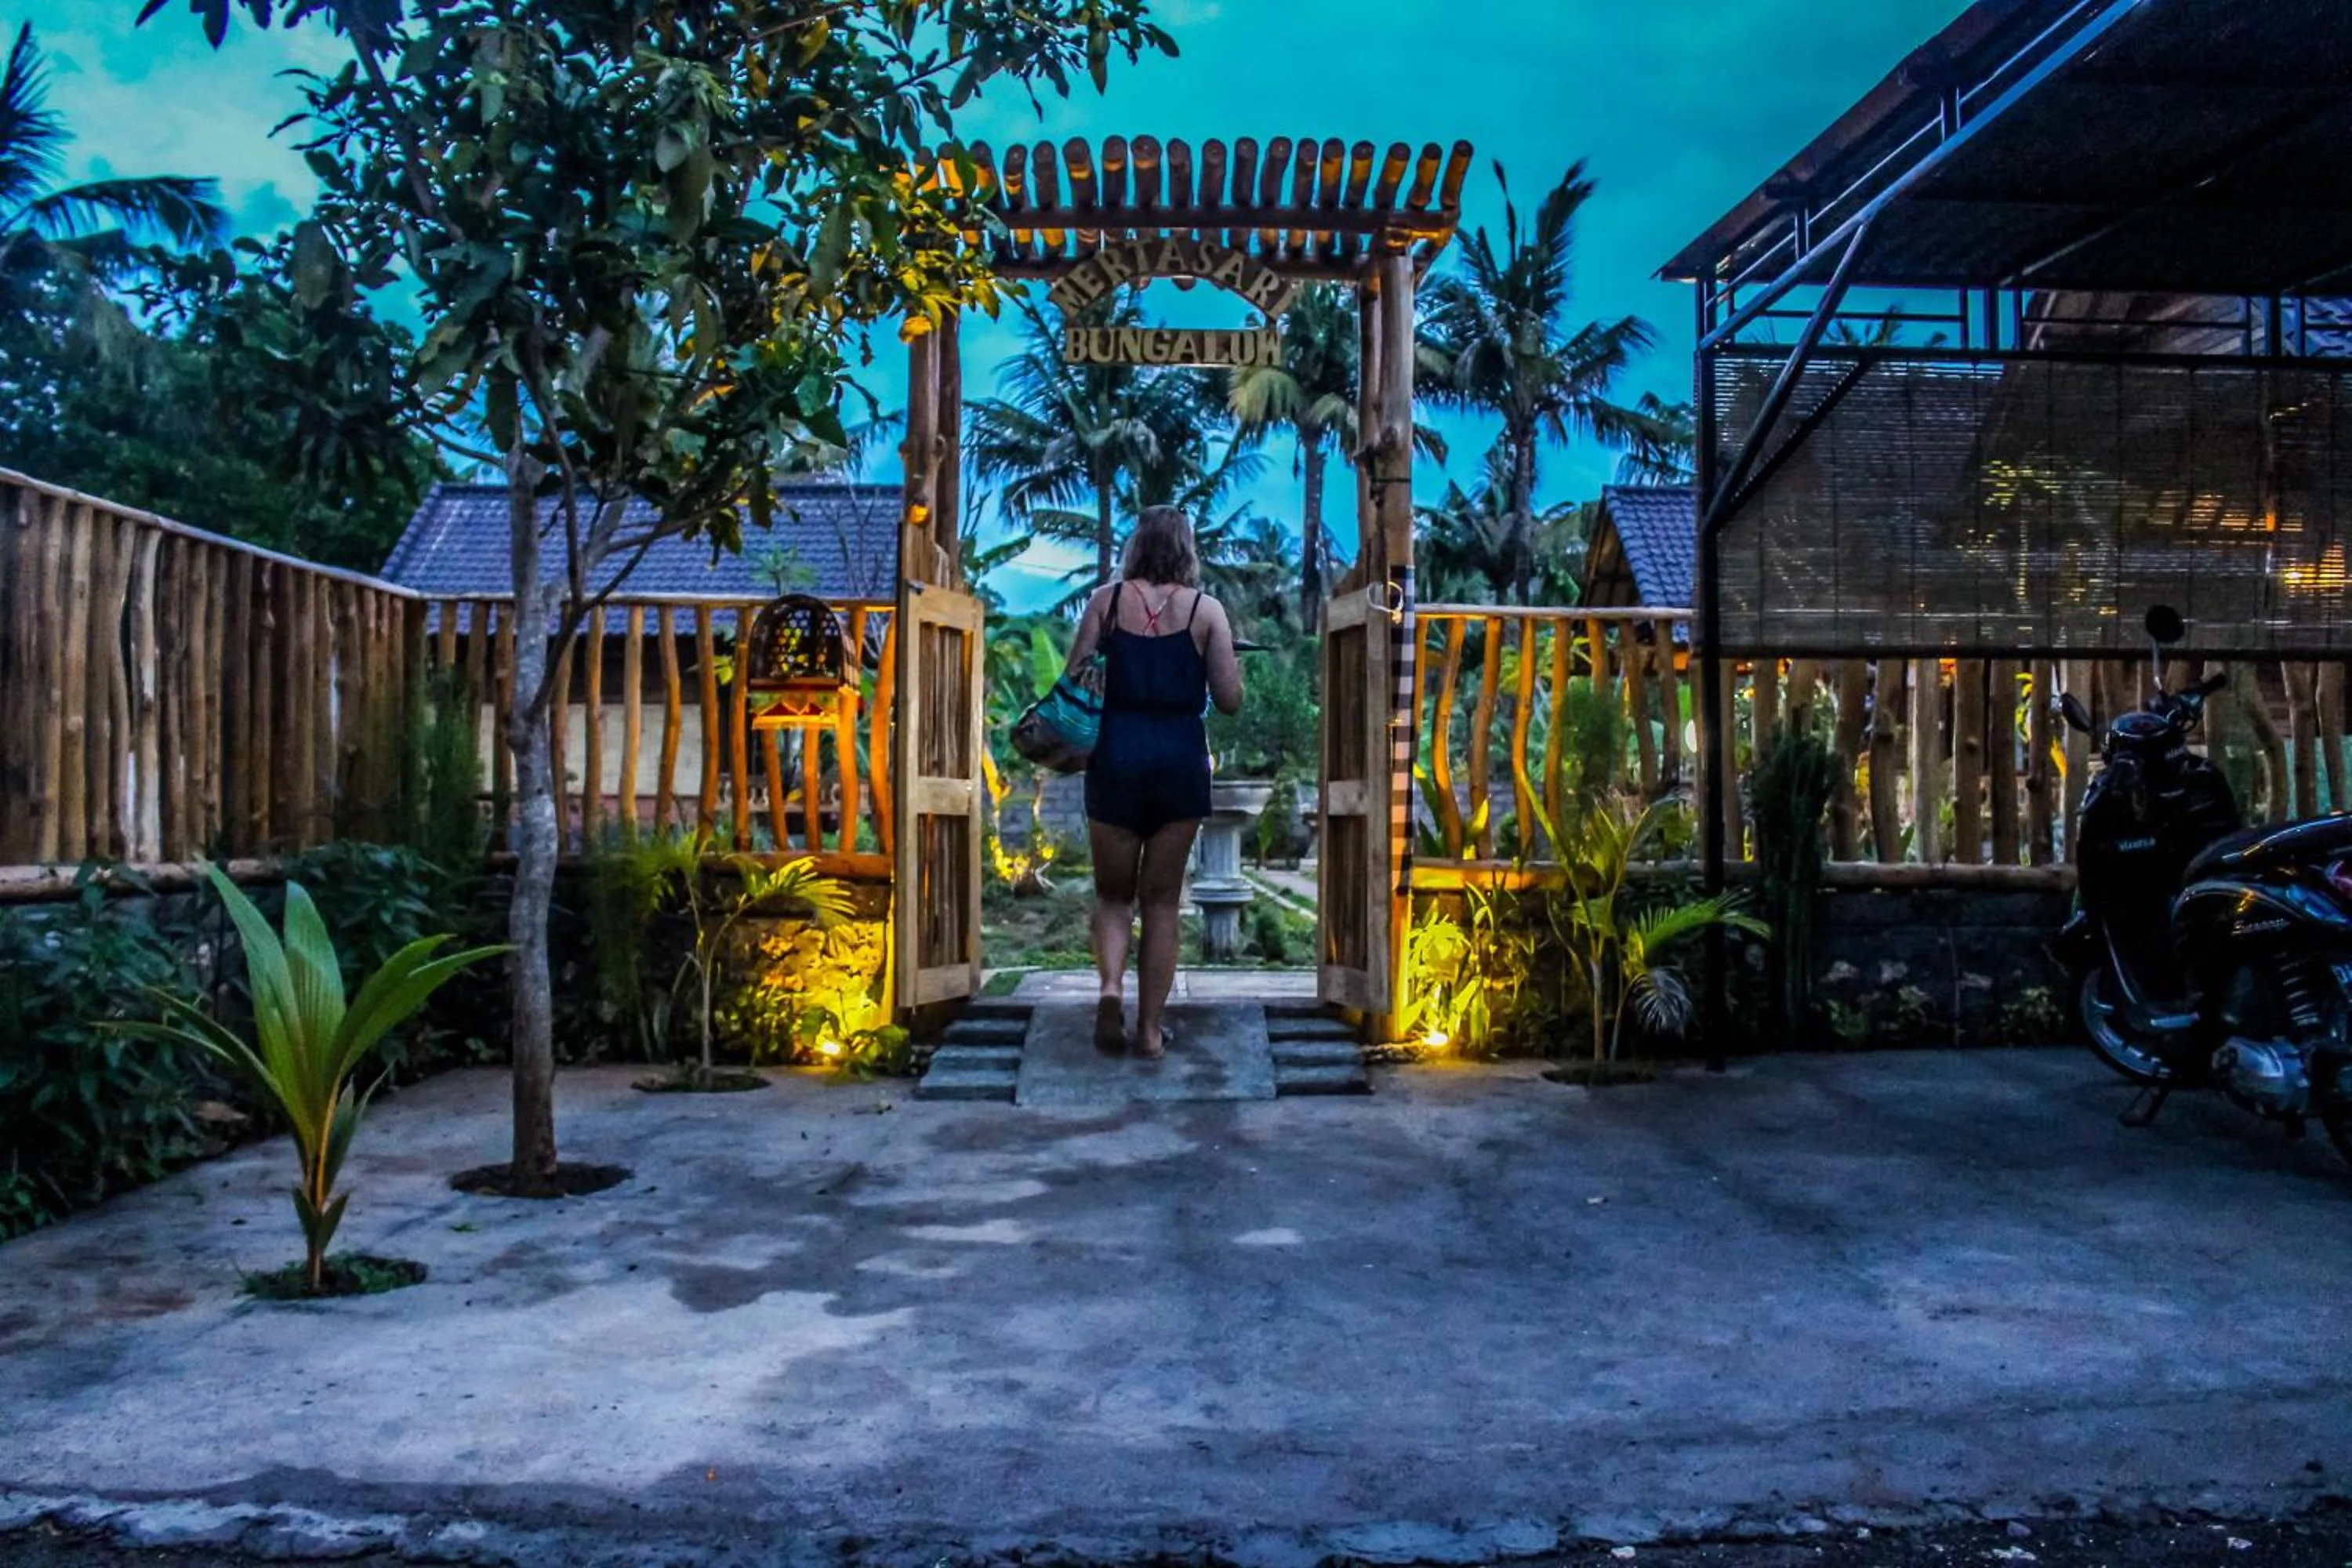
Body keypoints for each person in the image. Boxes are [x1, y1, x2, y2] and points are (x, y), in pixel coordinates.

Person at [1063, 505, 1245, 1058]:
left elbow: (1072, 678)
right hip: (1178, 761)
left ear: (1135, 545)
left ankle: (1112, 988)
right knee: (1163, 901)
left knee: (1114, 895)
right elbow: (1231, 701)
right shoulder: (1206, 612)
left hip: (1116, 755)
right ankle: (1148, 1033)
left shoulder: (1106, 602)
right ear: (1187, 549)